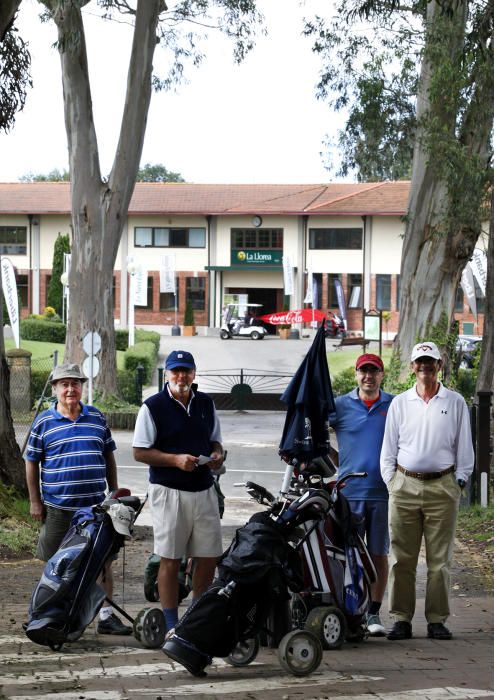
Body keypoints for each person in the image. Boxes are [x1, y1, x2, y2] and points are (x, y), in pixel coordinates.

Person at [25, 363, 131, 636]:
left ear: (82, 387)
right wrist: (35, 501)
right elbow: (31, 462)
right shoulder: (44, 423)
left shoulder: (96, 417)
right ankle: (45, 616)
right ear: (55, 389)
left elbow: (108, 456)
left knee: (101, 562)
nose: (70, 389)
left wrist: (115, 493)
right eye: (64, 384)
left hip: (96, 508)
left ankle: (106, 617)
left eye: (75, 383)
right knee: (55, 565)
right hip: (58, 508)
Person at [380, 341, 474, 641]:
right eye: (419, 362)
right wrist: (391, 481)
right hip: (404, 486)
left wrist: (459, 481)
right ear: (412, 367)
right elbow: (388, 449)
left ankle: (436, 619)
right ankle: (400, 619)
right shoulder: (400, 403)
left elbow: (465, 447)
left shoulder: (455, 401)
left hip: (442, 487)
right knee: (402, 559)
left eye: (430, 361)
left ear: (439, 365)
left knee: (440, 561)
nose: (424, 366)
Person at [132, 350, 224, 634]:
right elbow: (139, 452)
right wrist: (175, 460)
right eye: (176, 371)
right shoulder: (153, 406)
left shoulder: (206, 403)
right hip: (168, 491)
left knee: (208, 556)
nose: (181, 376)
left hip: (204, 488)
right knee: (170, 558)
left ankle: (196, 617)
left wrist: (217, 454)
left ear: (194, 373)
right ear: (166, 374)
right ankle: (172, 623)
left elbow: (215, 442)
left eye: (186, 370)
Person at [329, 353, 394, 636]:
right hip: (349, 492)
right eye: (363, 371)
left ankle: (374, 613)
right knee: (347, 554)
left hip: (382, 492)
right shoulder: (340, 405)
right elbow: (317, 435)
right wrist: (336, 461)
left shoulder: (393, 405)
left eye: (374, 371)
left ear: (381, 375)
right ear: (356, 374)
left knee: (378, 552)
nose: (368, 376)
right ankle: (349, 610)